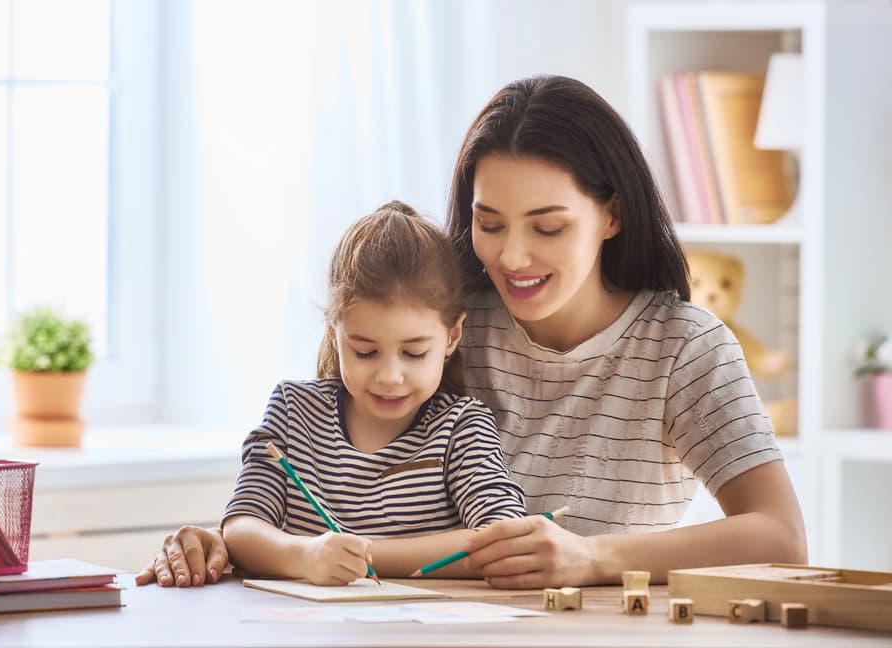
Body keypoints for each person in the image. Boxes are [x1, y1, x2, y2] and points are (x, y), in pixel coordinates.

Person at [137, 75, 806, 589]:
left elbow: (779, 539)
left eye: (547, 227)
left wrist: (595, 556)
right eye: (489, 224)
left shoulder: (683, 346)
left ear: (612, 215)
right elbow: (330, 469)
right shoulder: (446, 320)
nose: (512, 257)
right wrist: (244, 542)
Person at [149, 201, 526, 587]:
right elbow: (243, 528)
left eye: (414, 353)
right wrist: (306, 556)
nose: (390, 376)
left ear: (452, 337)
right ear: (334, 333)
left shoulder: (461, 425)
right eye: (365, 351)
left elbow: (505, 539)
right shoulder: (293, 411)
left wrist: (362, 556)